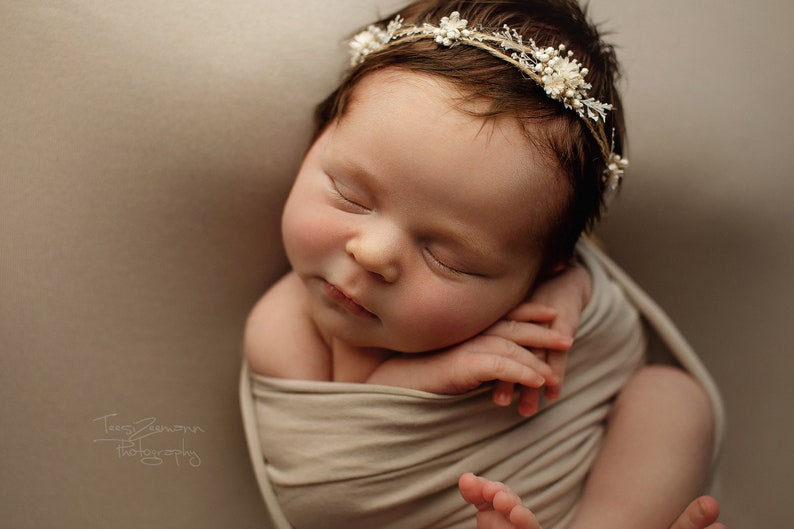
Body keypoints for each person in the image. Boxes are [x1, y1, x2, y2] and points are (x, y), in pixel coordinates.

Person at [242, 1, 724, 528]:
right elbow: (337, 457)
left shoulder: (555, 281)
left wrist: (568, 299)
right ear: (318, 139)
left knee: (674, 398)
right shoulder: (282, 324)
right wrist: (434, 375)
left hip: (580, 494)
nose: (374, 255)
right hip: (440, 510)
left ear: (545, 270)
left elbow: (602, 306)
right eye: (350, 195)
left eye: (449, 257)